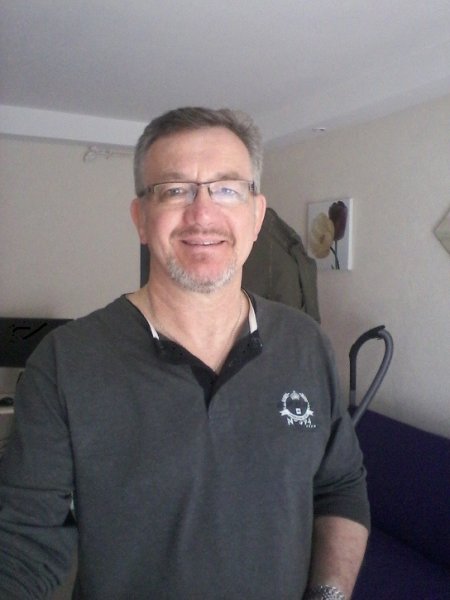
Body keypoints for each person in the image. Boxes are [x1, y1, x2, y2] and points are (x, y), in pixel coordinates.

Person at [0, 107, 369, 600]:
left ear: (256, 215)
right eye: (175, 190)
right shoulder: (65, 362)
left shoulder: (307, 344)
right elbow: (23, 546)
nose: (202, 213)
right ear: (141, 219)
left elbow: (340, 487)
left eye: (227, 189)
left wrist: (329, 596)